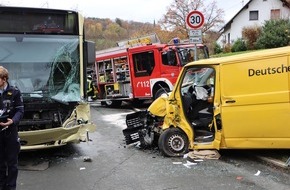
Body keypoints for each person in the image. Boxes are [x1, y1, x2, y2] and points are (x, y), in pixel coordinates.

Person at [0, 66, 24, 190]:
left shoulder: (14, 92)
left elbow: (20, 110)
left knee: (12, 164)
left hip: (10, 132)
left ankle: (11, 187)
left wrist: (12, 121)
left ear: (4, 79)